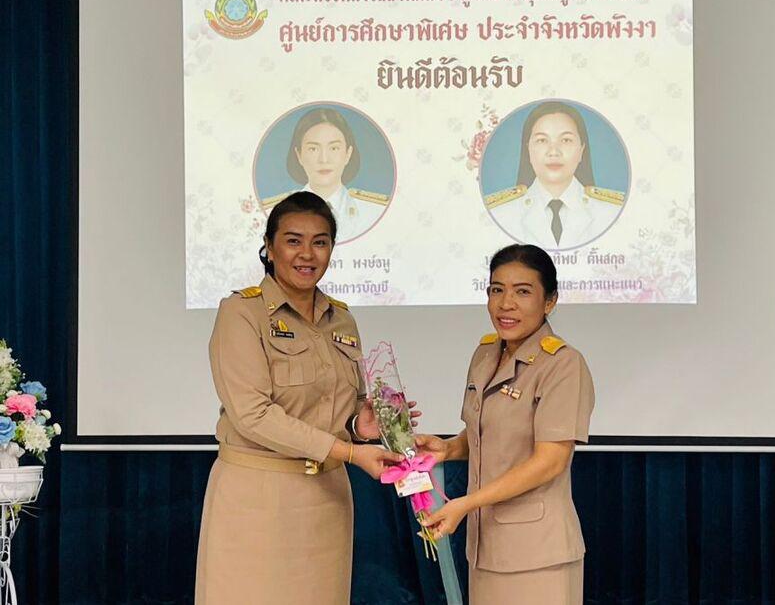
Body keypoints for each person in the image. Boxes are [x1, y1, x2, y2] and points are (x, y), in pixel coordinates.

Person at [195, 191, 411, 604]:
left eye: (320, 242)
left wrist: (359, 425)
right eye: (293, 241)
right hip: (257, 498)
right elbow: (253, 415)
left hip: (327, 500)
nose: (307, 254)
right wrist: (349, 452)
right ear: (269, 246)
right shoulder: (241, 313)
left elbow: (341, 407)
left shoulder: (341, 318)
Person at [417, 244, 595, 605]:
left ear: (550, 301)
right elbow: (487, 432)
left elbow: (551, 461)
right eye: (496, 290)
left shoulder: (562, 364)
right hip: (485, 545)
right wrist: (448, 448)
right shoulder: (485, 353)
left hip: (537, 552)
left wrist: (466, 503)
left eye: (522, 292)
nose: (505, 303)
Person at [486, 101, 625, 250]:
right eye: (542, 140)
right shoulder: (500, 212)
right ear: (528, 150)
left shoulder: (612, 210)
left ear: (581, 150)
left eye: (566, 140)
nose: (553, 152)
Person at [261, 107, 390, 243]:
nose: (324, 159)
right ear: (299, 155)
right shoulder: (272, 211)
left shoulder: (374, 210)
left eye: (334, 148)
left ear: (348, 154)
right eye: (313, 149)